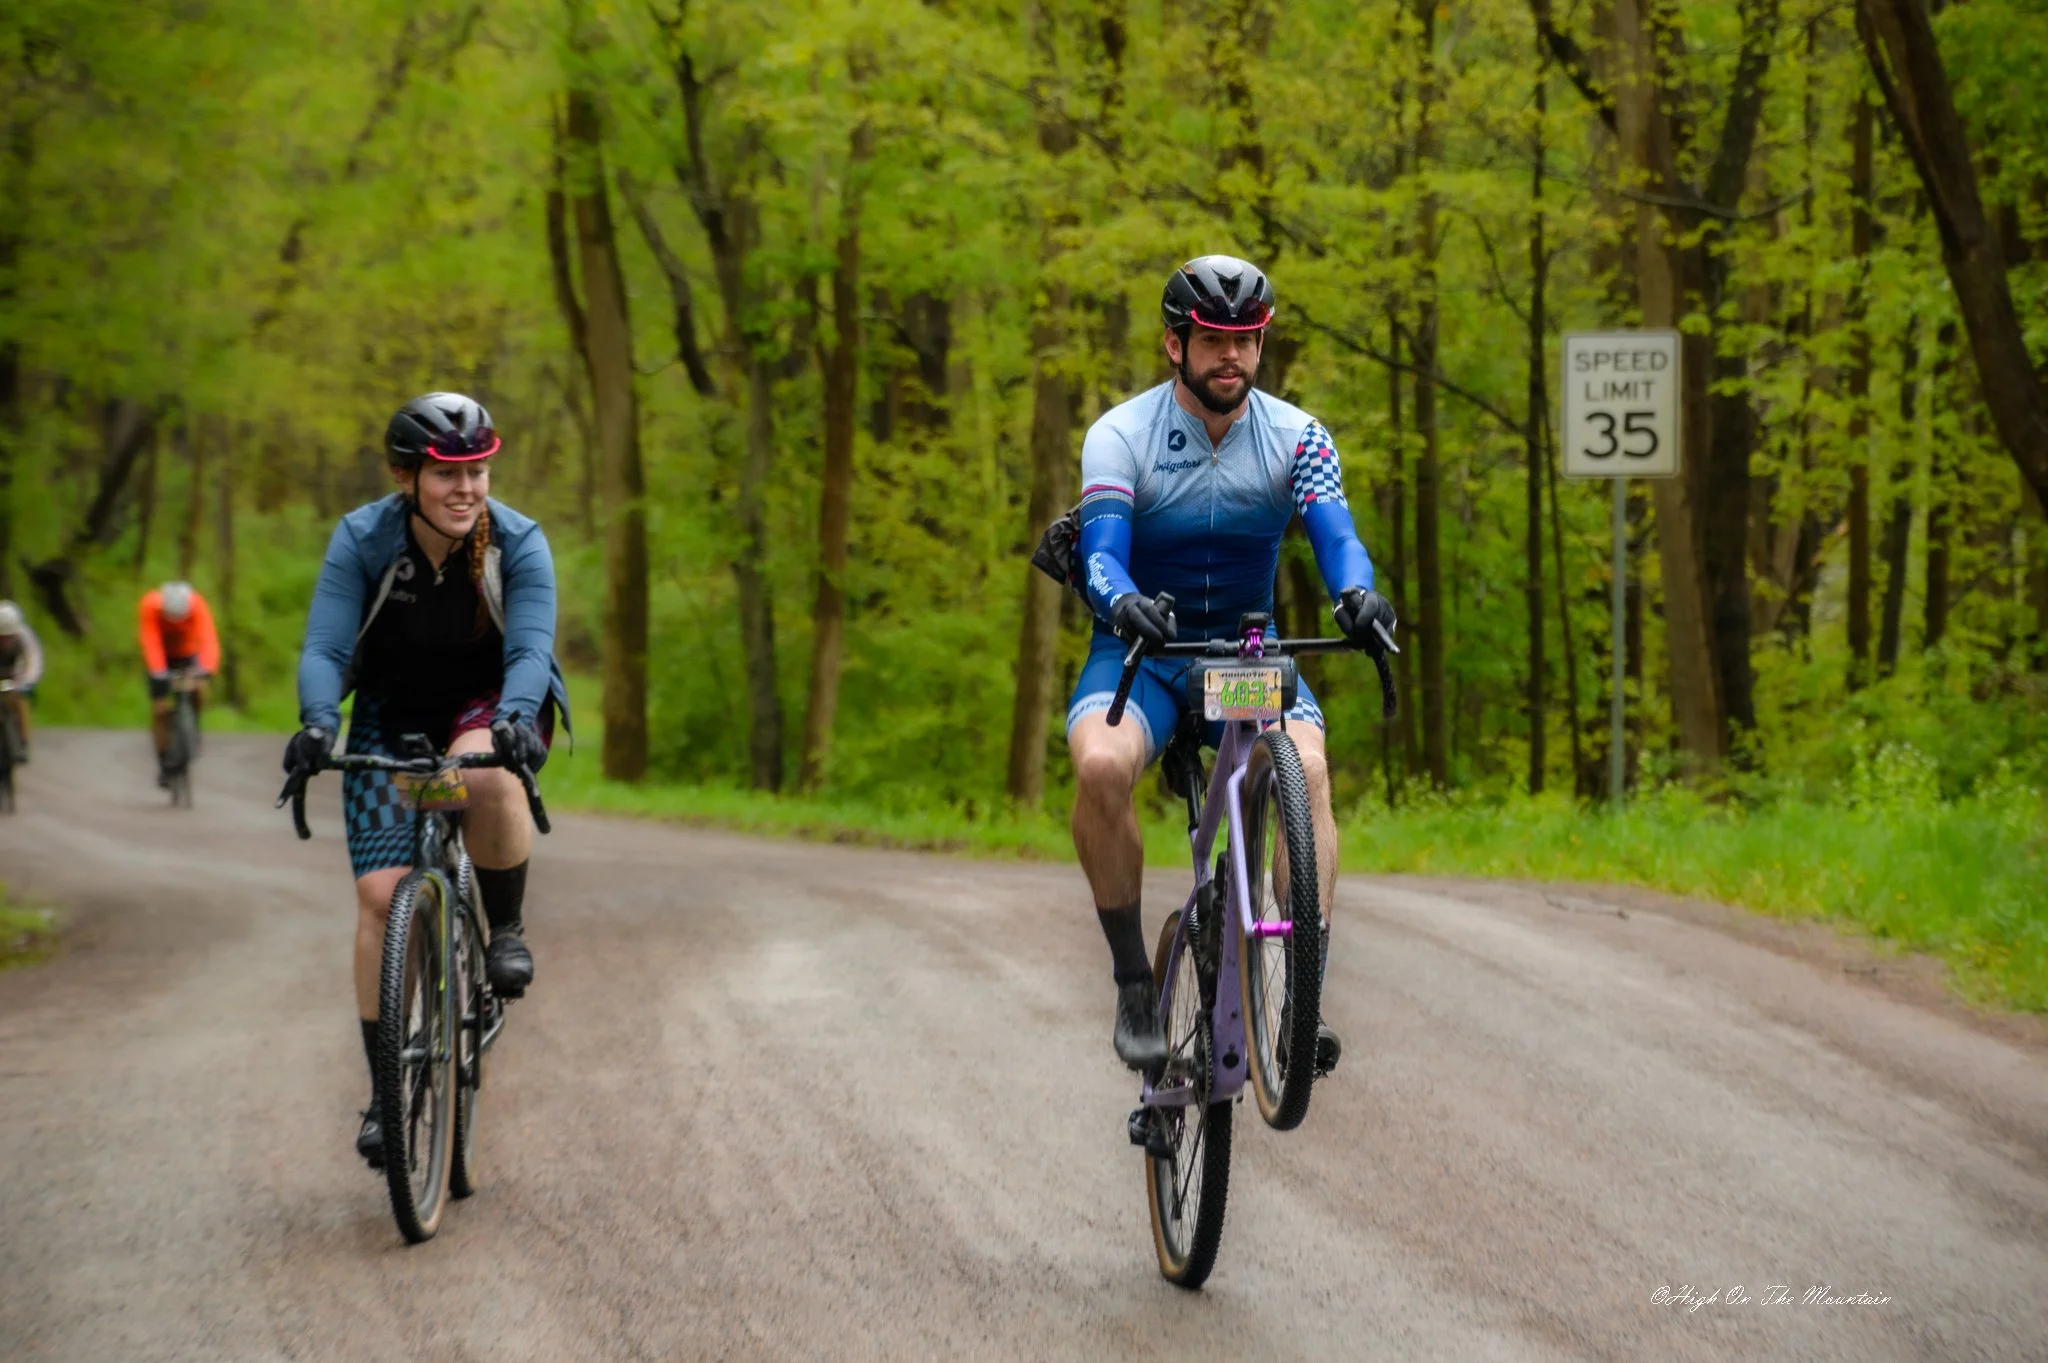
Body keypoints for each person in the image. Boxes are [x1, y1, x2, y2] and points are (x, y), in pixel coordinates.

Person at [1064, 255, 1397, 1073]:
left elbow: (1338, 539)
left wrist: (1358, 595)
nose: (1233, 358)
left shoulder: (1298, 436)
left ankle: (1302, 990)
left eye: (1247, 341)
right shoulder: (1120, 434)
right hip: (1143, 646)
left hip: (1249, 653)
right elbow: (1103, 551)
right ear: (1174, 344)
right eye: (1214, 340)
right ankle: (1135, 981)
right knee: (1103, 768)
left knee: (1308, 771)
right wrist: (1121, 601)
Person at [283, 392, 570, 1169]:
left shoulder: (518, 542)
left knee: (487, 776)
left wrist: (514, 718)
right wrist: (317, 722)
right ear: (405, 475)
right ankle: (386, 1087)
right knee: (380, 897)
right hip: (391, 709)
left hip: (490, 703)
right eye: (447, 473)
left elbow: (531, 650)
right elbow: (326, 644)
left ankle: (504, 927)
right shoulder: (363, 539)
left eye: (477, 470)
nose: (466, 488)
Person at [138, 580, 221, 783]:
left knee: (198, 689)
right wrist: (158, 672)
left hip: (187, 653)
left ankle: (194, 726)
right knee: (160, 708)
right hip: (162, 655)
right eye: (171, 617)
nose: (175, 621)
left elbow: (207, 638)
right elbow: (150, 641)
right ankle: (164, 760)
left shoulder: (197, 604)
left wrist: (207, 668)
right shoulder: (149, 605)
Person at [0, 599, 44, 760]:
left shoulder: (25, 636)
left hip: (15, 674)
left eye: (9, 636)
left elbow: (33, 660)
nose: (5, 641)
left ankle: (23, 742)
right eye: (1, 637)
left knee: (19, 701)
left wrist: (27, 682)